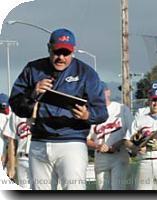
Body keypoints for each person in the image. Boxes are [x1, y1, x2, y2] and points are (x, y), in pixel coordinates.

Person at [9, 28, 108, 190]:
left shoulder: (86, 73)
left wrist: (87, 115)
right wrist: (33, 93)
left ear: (73, 51)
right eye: (57, 52)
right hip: (39, 141)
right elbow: (16, 104)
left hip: (72, 142)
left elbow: (102, 112)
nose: (61, 57)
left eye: (66, 53)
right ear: (49, 48)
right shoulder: (33, 69)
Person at [87, 82, 132, 190]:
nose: (100, 95)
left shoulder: (122, 109)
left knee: (118, 188)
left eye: (102, 92)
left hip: (119, 155)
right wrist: (98, 146)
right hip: (101, 157)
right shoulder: (92, 112)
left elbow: (131, 132)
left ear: (108, 92)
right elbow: (86, 139)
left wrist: (119, 143)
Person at [5, 114, 31, 189]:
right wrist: (11, 167)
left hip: (41, 159)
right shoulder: (16, 112)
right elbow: (11, 141)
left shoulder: (46, 108)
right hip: (22, 159)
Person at [0, 93, 12, 167]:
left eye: (5, 107)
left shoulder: (12, 112)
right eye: (2, 108)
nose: (4, 110)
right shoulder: (1, 116)